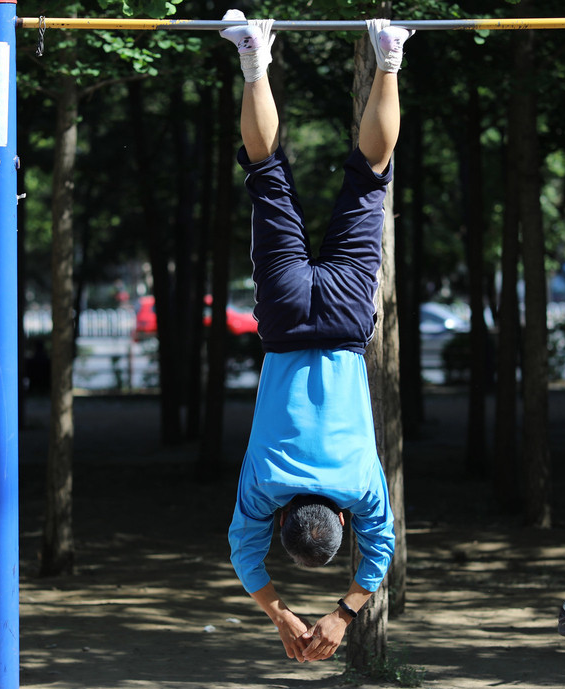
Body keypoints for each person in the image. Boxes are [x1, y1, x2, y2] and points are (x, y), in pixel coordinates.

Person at [219, 10, 411, 663]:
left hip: (347, 322)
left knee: (369, 178)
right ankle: (253, 58)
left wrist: (341, 614)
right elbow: (242, 552)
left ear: (343, 520)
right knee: (267, 175)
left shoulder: (361, 486)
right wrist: (281, 614)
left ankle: (387, 59)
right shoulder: (263, 487)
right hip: (285, 317)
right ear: (281, 519)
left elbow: (381, 548)